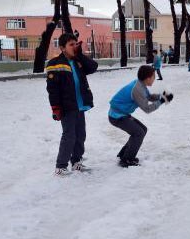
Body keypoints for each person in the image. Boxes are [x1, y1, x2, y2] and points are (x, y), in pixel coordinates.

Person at [46, 33, 98, 176]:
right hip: (67, 106)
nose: (74, 47)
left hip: (80, 105)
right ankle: (60, 166)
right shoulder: (54, 64)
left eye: (76, 44)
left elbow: (93, 67)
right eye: (71, 45)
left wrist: (80, 55)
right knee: (69, 136)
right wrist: (55, 107)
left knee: (81, 135)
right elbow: (52, 89)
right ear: (62, 48)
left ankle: (76, 162)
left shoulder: (77, 61)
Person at [108, 65, 174, 167]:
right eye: (153, 77)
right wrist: (161, 101)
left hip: (121, 114)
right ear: (148, 78)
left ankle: (124, 155)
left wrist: (162, 96)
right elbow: (147, 109)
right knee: (138, 133)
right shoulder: (137, 89)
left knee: (143, 129)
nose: (154, 79)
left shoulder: (140, 85)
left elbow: (148, 97)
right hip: (117, 116)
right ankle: (127, 160)